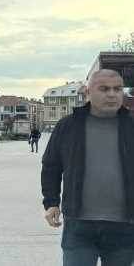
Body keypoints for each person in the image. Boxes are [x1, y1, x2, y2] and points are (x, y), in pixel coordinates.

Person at [41, 69, 134, 265]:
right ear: (87, 92)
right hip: (79, 224)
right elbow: (51, 166)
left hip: (125, 226)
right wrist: (51, 203)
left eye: (117, 89)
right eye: (104, 89)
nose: (112, 94)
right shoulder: (68, 126)